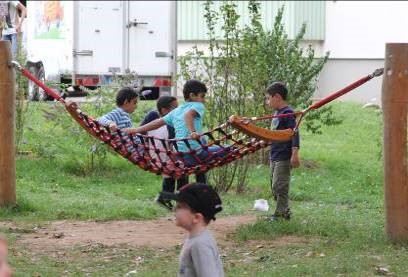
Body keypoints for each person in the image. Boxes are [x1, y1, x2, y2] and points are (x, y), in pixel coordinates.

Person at [130, 80, 226, 187]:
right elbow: (188, 116)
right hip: (196, 154)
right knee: (228, 149)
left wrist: (136, 130)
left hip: (182, 157)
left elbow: (157, 123)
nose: (203, 100)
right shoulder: (198, 105)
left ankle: (199, 189)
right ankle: (202, 188)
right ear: (192, 95)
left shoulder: (176, 110)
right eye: (202, 96)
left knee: (202, 153)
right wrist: (193, 132)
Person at [160, 183, 224, 277]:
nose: (174, 209)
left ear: (197, 217)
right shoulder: (196, 239)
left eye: (180, 206)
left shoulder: (200, 244)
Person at [265, 82, 300, 221]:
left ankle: (281, 214)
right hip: (274, 155)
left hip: (284, 156)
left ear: (277, 97)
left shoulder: (287, 113)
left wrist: (295, 153)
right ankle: (284, 211)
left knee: (280, 186)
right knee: (274, 187)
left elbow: (295, 133)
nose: (267, 102)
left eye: (268, 98)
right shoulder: (276, 113)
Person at [139, 95, 181, 209]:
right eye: (175, 108)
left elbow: (140, 131)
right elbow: (177, 144)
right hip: (163, 158)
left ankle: (165, 197)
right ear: (164, 110)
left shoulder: (152, 116)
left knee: (172, 171)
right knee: (182, 168)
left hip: (155, 157)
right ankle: (181, 200)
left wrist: (144, 151)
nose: (178, 110)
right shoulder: (170, 123)